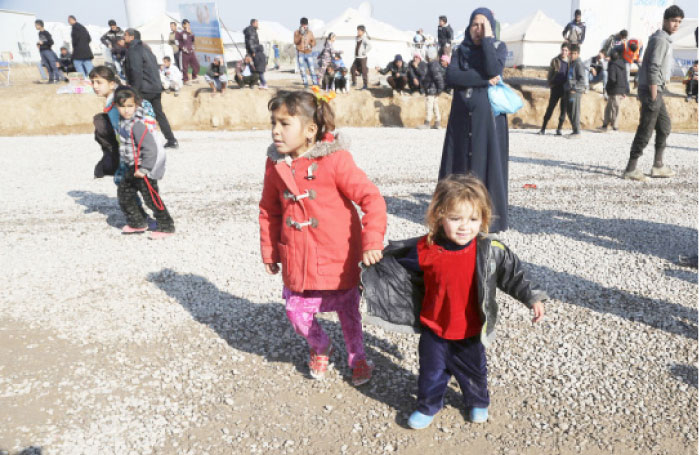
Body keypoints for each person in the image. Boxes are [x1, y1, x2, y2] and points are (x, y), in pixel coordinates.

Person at [359, 174, 546, 429]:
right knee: (431, 373)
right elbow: (394, 266)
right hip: (434, 329)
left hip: (470, 331)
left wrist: (532, 297)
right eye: (455, 218)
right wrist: (367, 272)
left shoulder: (490, 250)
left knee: (474, 372)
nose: (464, 226)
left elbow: (514, 276)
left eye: (473, 219)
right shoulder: (425, 249)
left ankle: (478, 401)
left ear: (483, 219)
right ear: (439, 217)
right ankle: (428, 405)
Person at [259, 90, 387, 385]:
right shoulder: (275, 163)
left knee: (348, 313)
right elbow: (269, 209)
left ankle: (358, 358)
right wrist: (269, 251)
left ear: (310, 130)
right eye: (273, 123)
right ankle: (320, 346)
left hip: (337, 258)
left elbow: (371, 199)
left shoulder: (335, 160)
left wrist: (372, 241)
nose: (276, 131)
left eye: (284, 124)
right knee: (295, 312)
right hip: (297, 258)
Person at [439, 8, 509, 233]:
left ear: (490, 26)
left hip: (487, 120)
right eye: (474, 25)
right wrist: (483, 79)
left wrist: (488, 40)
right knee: (458, 162)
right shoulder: (461, 50)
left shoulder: (498, 47)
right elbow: (452, 77)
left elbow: (492, 67)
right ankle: (454, 211)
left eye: (483, 25)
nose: (478, 30)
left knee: (484, 162)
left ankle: (485, 216)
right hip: (461, 116)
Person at [623, 5, 684, 181]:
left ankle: (658, 165)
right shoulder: (661, 40)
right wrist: (654, 92)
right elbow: (653, 67)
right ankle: (631, 168)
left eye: (679, 22)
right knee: (646, 128)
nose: (676, 25)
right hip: (652, 90)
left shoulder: (664, 39)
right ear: (665, 20)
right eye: (673, 21)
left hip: (657, 90)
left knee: (664, 126)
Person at [114, 87, 175, 240]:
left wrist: (145, 168)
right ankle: (137, 222)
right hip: (131, 168)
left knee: (151, 198)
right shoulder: (124, 122)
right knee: (124, 195)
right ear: (117, 106)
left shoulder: (137, 125)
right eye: (123, 106)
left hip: (143, 170)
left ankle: (166, 226)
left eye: (130, 106)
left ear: (136, 106)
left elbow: (151, 148)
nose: (127, 110)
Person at [124, 28, 179, 149]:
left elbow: (136, 70)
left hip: (144, 88)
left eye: (125, 35)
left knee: (136, 115)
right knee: (159, 114)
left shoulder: (134, 50)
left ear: (132, 37)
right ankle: (171, 140)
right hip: (155, 87)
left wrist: (135, 90)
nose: (124, 38)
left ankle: (140, 143)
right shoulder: (147, 49)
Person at [539, 43, 570, 135]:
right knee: (550, 108)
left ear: (568, 52)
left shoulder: (570, 62)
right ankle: (543, 128)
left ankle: (559, 128)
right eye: (563, 50)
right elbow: (550, 73)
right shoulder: (555, 60)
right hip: (556, 87)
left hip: (565, 88)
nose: (564, 52)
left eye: (566, 50)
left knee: (563, 109)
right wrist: (550, 83)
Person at [600, 49, 629, 132]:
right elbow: (625, 78)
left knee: (610, 107)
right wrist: (625, 90)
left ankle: (609, 124)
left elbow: (612, 79)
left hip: (613, 89)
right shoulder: (622, 64)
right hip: (621, 89)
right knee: (616, 107)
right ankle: (614, 125)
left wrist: (607, 88)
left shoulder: (612, 65)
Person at [420, 46, 445, 129]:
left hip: (432, 89)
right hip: (433, 89)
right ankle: (437, 122)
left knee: (429, 105)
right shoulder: (432, 65)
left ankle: (427, 122)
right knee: (435, 105)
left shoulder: (433, 65)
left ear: (429, 56)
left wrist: (439, 90)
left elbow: (438, 78)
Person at [565, 44, 586, 138]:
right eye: (571, 53)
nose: (572, 55)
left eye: (574, 53)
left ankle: (577, 131)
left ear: (578, 54)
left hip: (575, 92)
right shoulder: (572, 63)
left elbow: (582, 79)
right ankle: (574, 130)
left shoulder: (578, 64)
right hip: (569, 90)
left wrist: (574, 89)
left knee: (574, 111)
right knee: (569, 111)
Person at [294, 17, 318, 87]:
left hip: (309, 53)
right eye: (303, 25)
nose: (304, 26)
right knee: (302, 69)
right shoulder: (296, 32)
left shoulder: (310, 32)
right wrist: (300, 35)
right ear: (301, 24)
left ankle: (315, 84)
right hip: (300, 52)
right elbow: (295, 42)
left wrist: (310, 45)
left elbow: (314, 42)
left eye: (305, 25)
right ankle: (305, 84)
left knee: (312, 69)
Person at [244, 19, 268, 89]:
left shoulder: (252, 30)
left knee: (254, 67)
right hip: (253, 52)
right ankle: (252, 83)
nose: (258, 25)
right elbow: (251, 42)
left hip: (252, 51)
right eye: (257, 23)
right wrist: (253, 52)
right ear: (253, 23)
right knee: (253, 67)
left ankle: (254, 82)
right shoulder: (251, 31)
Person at [177, 19, 200, 84]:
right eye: (187, 24)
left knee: (196, 65)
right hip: (185, 53)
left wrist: (191, 33)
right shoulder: (180, 33)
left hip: (191, 52)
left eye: (189, 24)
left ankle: (194, 77)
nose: (188, 25)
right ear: (183, 25)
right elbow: (178, 43)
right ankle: (185, 80)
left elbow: (193, 40)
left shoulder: (190, 32)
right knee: (185, 67)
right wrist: (183, 49)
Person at [351, 25, 371, 90]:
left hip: (363, 58)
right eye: (357, 30)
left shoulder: (364, 38)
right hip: (357, 57)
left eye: (359, 31)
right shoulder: (357, 38)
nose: (358, 32)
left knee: (364, 71)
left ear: (363, 32)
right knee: (352, 68)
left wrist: (364, 51)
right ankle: (354, 82)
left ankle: (365, 85)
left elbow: (369, 46)